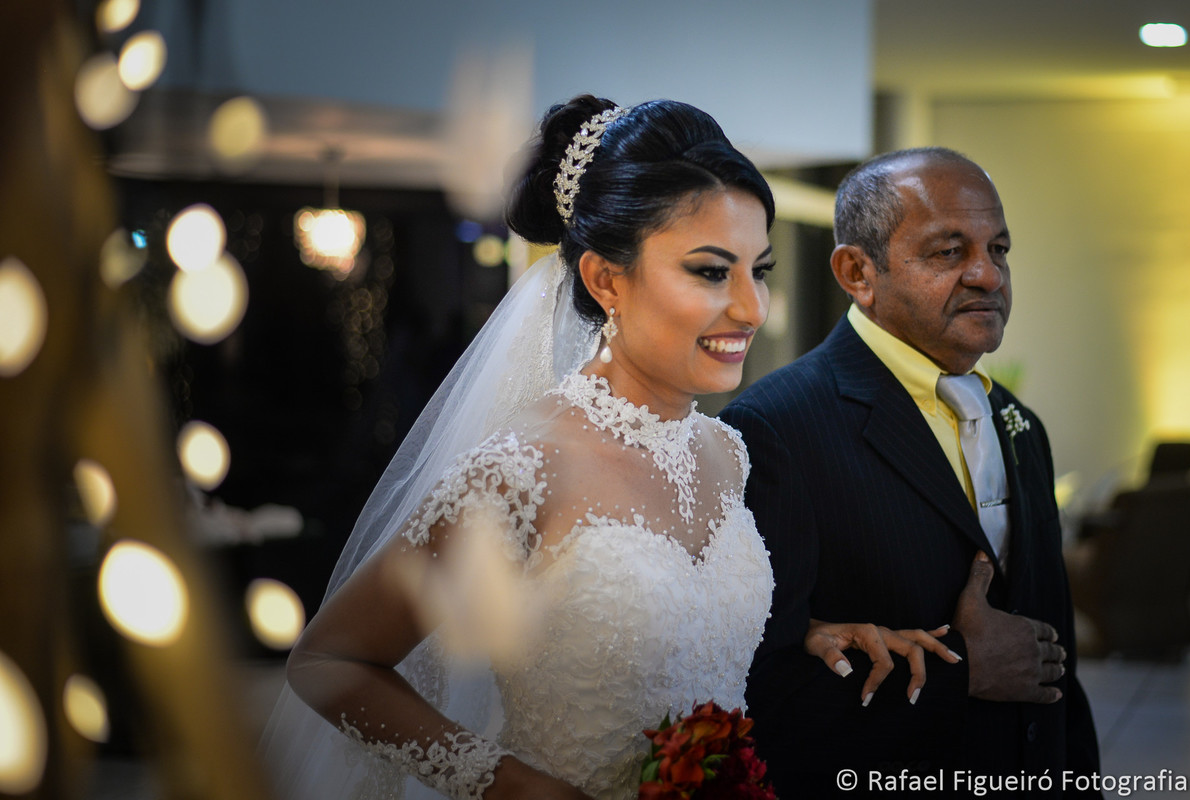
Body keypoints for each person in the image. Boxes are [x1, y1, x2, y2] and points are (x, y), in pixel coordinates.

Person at [262, 98, 953, 800]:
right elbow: (328, 660)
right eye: (712, 272)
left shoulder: (726, 455)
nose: (751, 308)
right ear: (605, 279)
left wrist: (808, 632)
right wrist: (505, 781)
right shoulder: (524, 468)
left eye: (760, 270)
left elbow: (689, 626)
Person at [720, 147, 1101, 796]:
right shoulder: (776, 429)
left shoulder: (1019, 424)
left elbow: (1048, 657)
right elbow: (763, 695)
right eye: (949, 252)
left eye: (999, 249)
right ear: (857, 271)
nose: (989, 274)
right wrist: (964, 675)